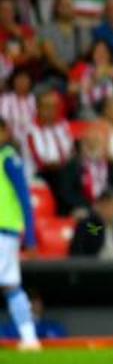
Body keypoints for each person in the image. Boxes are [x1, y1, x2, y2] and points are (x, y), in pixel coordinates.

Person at [0, 119, 40, 350]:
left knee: (11, 285)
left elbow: (25, 199)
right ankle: (29, 337)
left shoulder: (8, 158)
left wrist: (31, 237)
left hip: (4, 233)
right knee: (10, 285)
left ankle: (30, 337)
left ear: (5, 132)